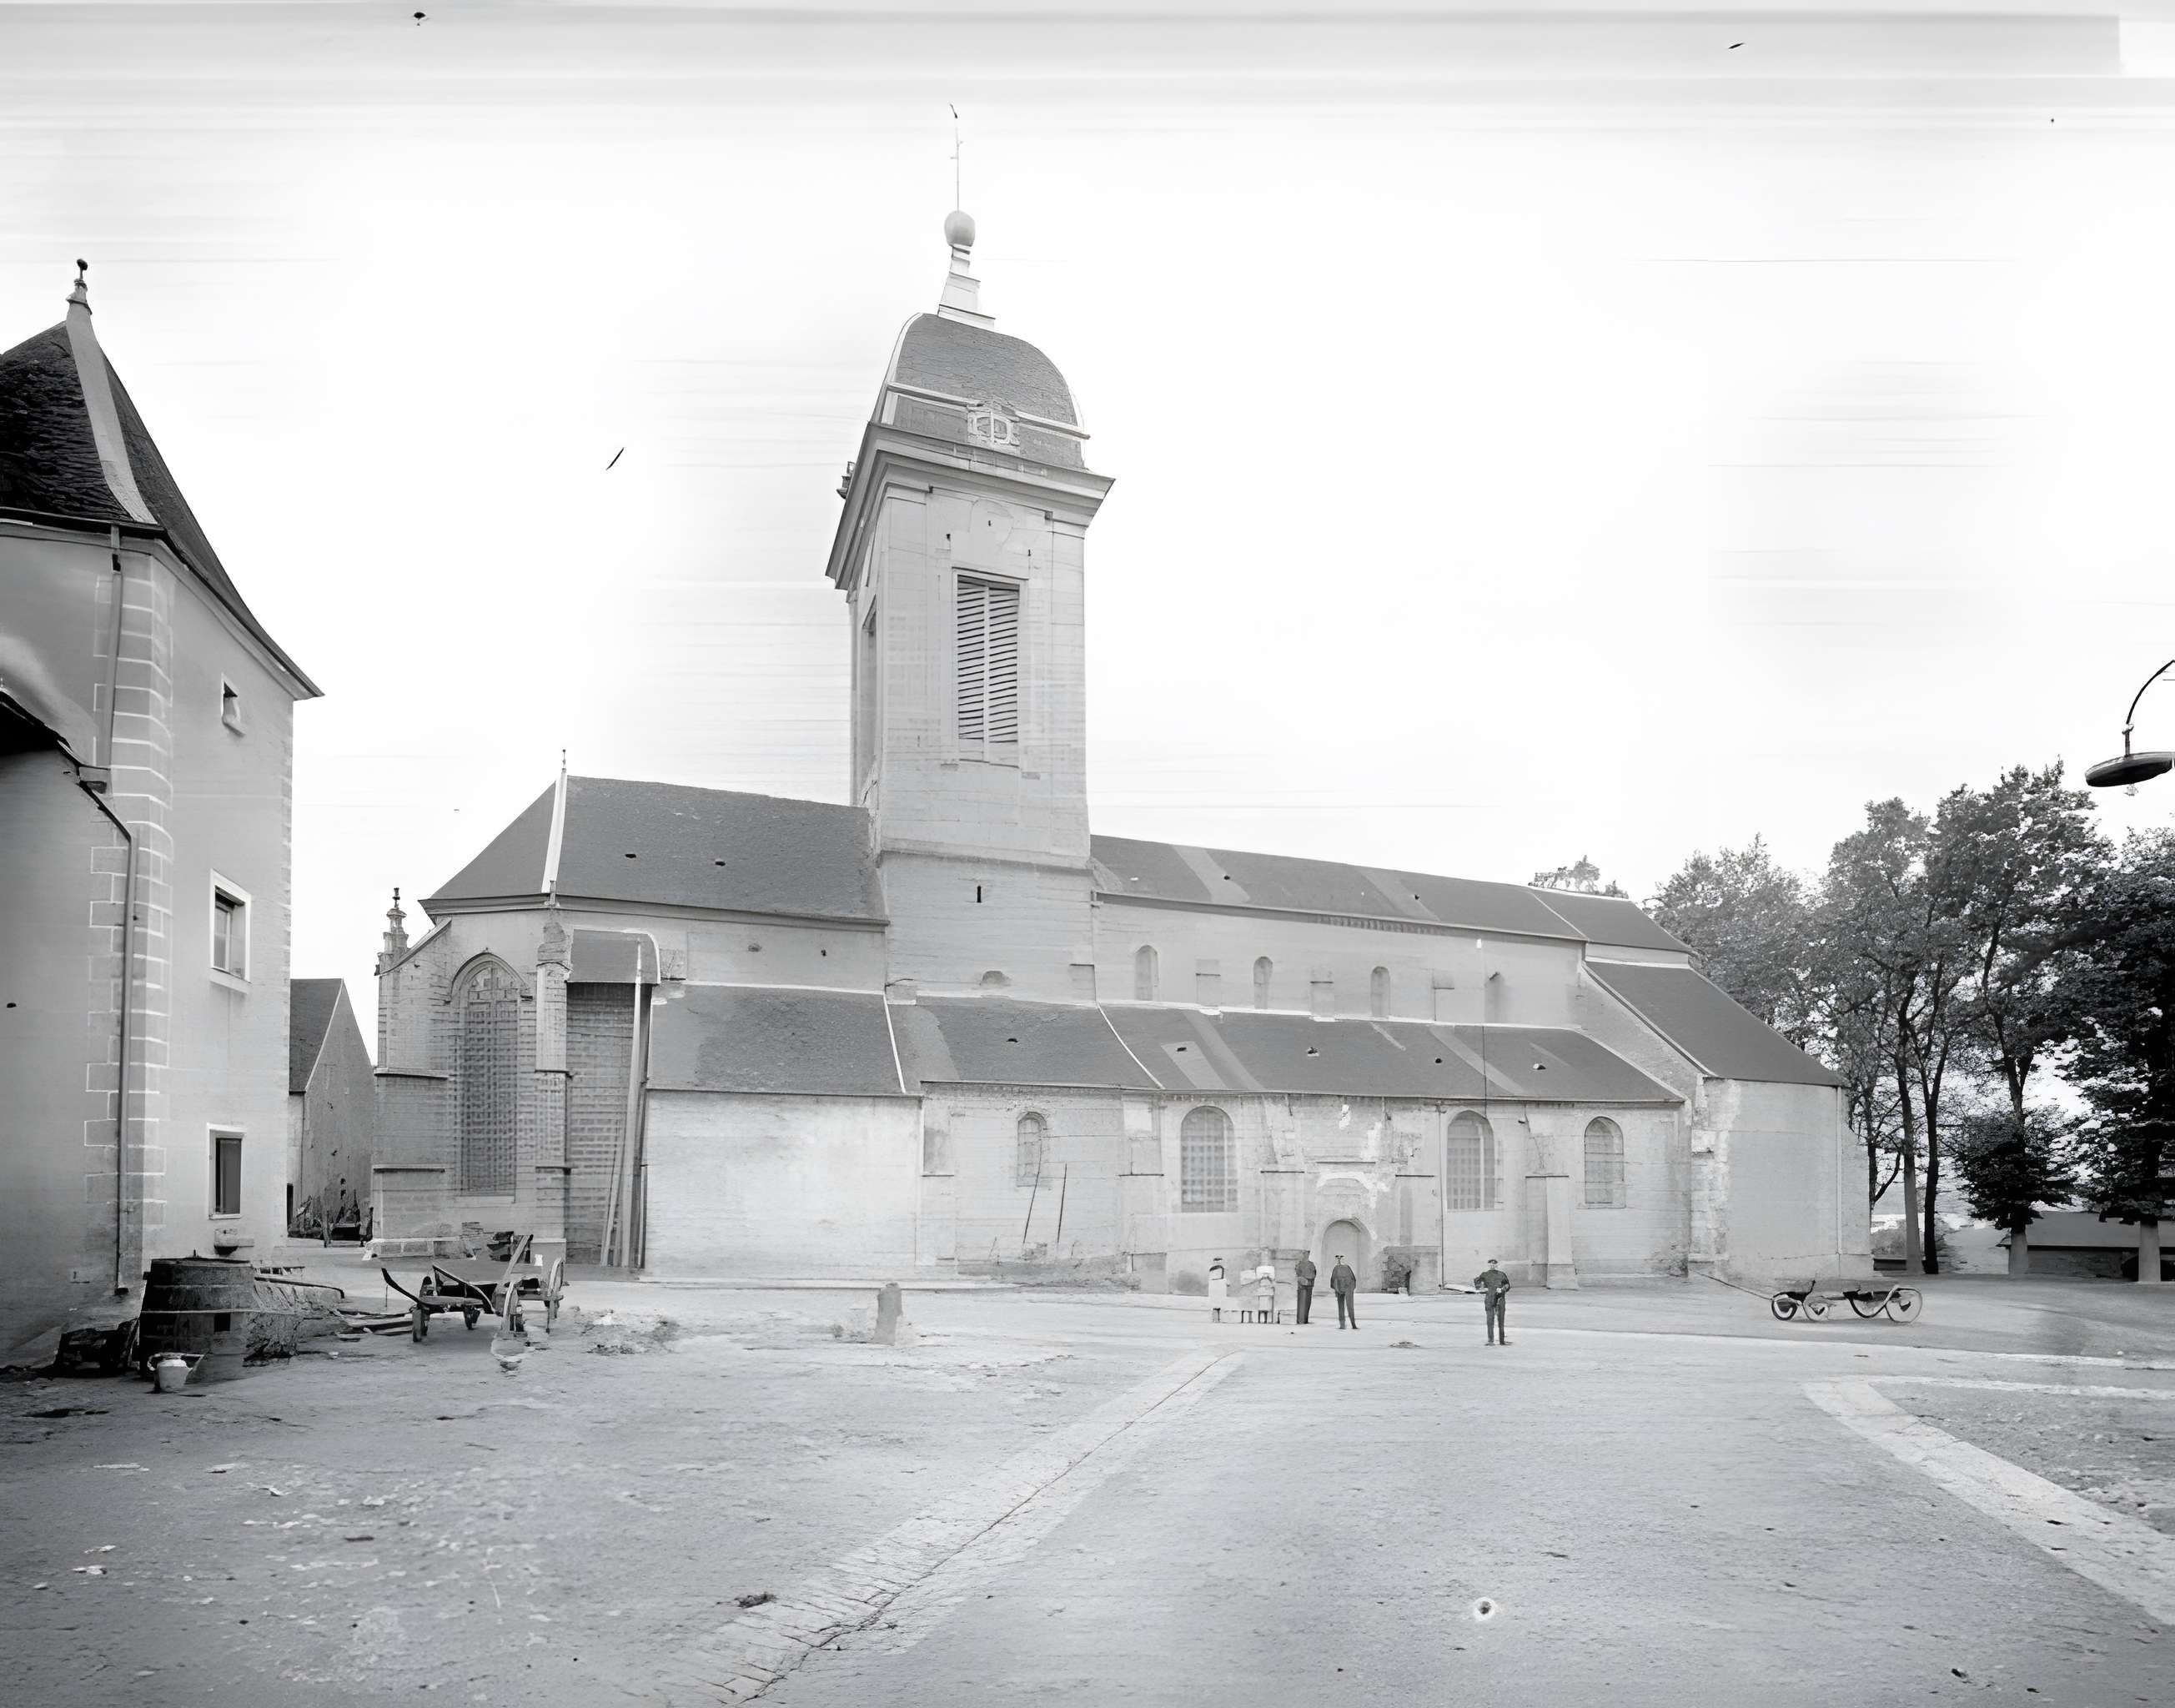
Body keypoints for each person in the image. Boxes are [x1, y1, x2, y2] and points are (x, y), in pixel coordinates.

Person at [1474, 1258, 1511, 1344]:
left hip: (1500, 1298)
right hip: (1489, 1299)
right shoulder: (1484, 1274)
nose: (1492, 1265)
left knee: (1501, 1319)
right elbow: (1477, 1283)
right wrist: (1482, 1288)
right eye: (1491, 1264)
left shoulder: (1502, 1274)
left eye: (1494, 1264)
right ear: (1488, 1265)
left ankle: (1502, 1341)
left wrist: (1502, 1289)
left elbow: (1507, 1285)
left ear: (1497, 1265)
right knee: (1490, 1320)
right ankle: (1491, 1340)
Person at [1330, 1254, 1358, 1329]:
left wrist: (1350, 1288)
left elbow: (1353, 1279)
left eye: (1340, 1258)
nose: (1339, 1260)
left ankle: (1352, 1325)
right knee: (1343, 1307)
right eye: (1338, 1258)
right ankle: (1344, 1325)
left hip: (1347, 1289)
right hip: (1341, 1290)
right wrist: (1337, 1288)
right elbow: (1332, 1281)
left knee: (1348, 1307)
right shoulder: (1336, 1268)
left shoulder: (1346, 1268)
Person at [1293, 1250, 1317, 1325]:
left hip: (1309, 1285)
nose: (1306, 1256)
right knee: (1302, 1303)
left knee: (1307, 1303)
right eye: (1305, 1254)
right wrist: (1303, 1279)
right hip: (1302, 1286)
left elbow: (1314, 1273)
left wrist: (1310, 1280)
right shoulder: (1299, 1264)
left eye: (1307, 1254)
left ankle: (1305, 1319)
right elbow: (1297, 1274)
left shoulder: (1311, 1264)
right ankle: (1301, 1320)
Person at [1253, 1253, 1278, 1324]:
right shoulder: (1259, 1268)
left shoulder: (1271, 1268)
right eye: (1263, 1257)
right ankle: (1261, 1319)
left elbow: (1273, 1277)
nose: (1265, 1259)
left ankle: (1268, 1319)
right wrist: (1262, 1276)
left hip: (1268, 1287)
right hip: (1261, 1287)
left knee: (1268, 1305)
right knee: (1261, 1305)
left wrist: (1269, 1277)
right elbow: (1257, 1277)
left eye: (1266, 1257)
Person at [1207, 1258, 1228, 1323]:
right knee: (1216, 1304)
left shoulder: (1222, 1269)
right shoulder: (1213, 1269)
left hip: (1220, 1288)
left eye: (1220, 1261)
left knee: (1219, 1304)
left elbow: (1223, 1278)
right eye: (1218, 1261)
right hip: (1216, 1287)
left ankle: (1217, 1319)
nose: (1219, 1263)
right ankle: (1215, 1319)